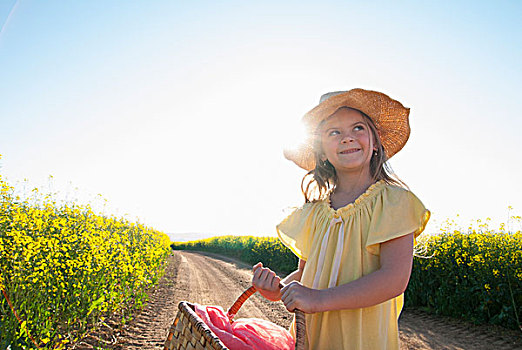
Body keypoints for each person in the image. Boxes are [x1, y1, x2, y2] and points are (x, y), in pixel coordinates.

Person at [252, 88, 430, 349]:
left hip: (364, 340)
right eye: (334, 132)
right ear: (321, 151)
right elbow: (305, 273)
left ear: (376, 140)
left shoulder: (394, 203)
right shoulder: (314, 213)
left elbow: (394, 279)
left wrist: (319, 300)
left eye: (358, 128)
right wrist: (277, 290)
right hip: (312, 338)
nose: (347, 138)